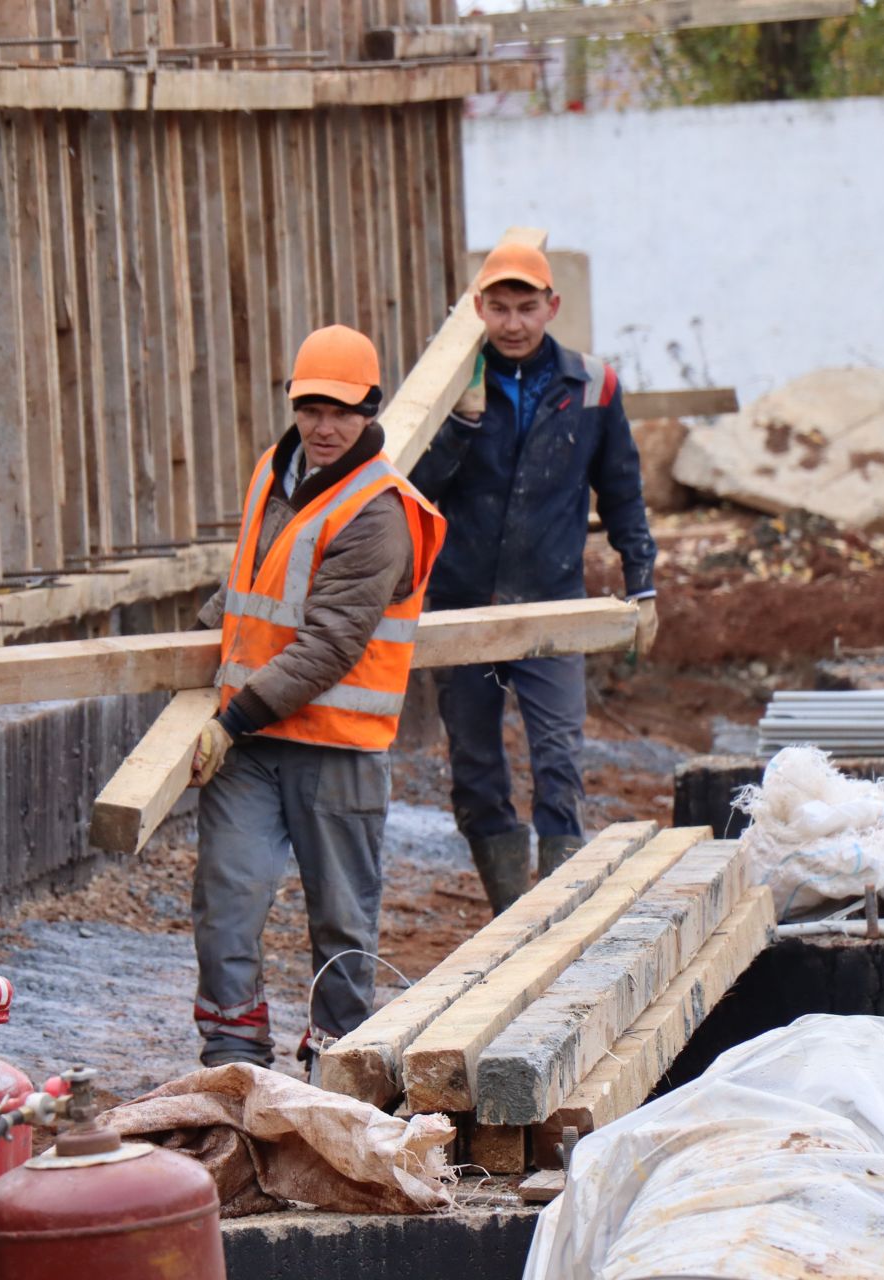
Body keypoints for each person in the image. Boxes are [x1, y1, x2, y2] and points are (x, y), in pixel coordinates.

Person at [187, 324, 447, 1070]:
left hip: (335, 746)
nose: (324, 427)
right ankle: (233, 1061)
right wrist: (199, 642)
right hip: (252, 744)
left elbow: (330, 643)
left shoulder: (381, 511)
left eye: (341, 412)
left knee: (340, 921)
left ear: (371, 411)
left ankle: (337, 1071)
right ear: (294, 405)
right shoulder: (276, 468)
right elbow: (254, 588)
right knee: (228, 901)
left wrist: (228, 720)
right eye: (311, 409)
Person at [409, 242, 659, 913]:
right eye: (499, 308)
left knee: (558, 763)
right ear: (477, 309)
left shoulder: (591, 387)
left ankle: (555, 918)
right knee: (476, 772)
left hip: (552, 604)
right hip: (463, 607)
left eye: (527, 307)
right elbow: (412, 492)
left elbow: (623, 491)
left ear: (552, 306)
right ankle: (510, 914)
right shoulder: (444, 389)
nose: (513, 323)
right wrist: (460, 422)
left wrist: (643, 582)